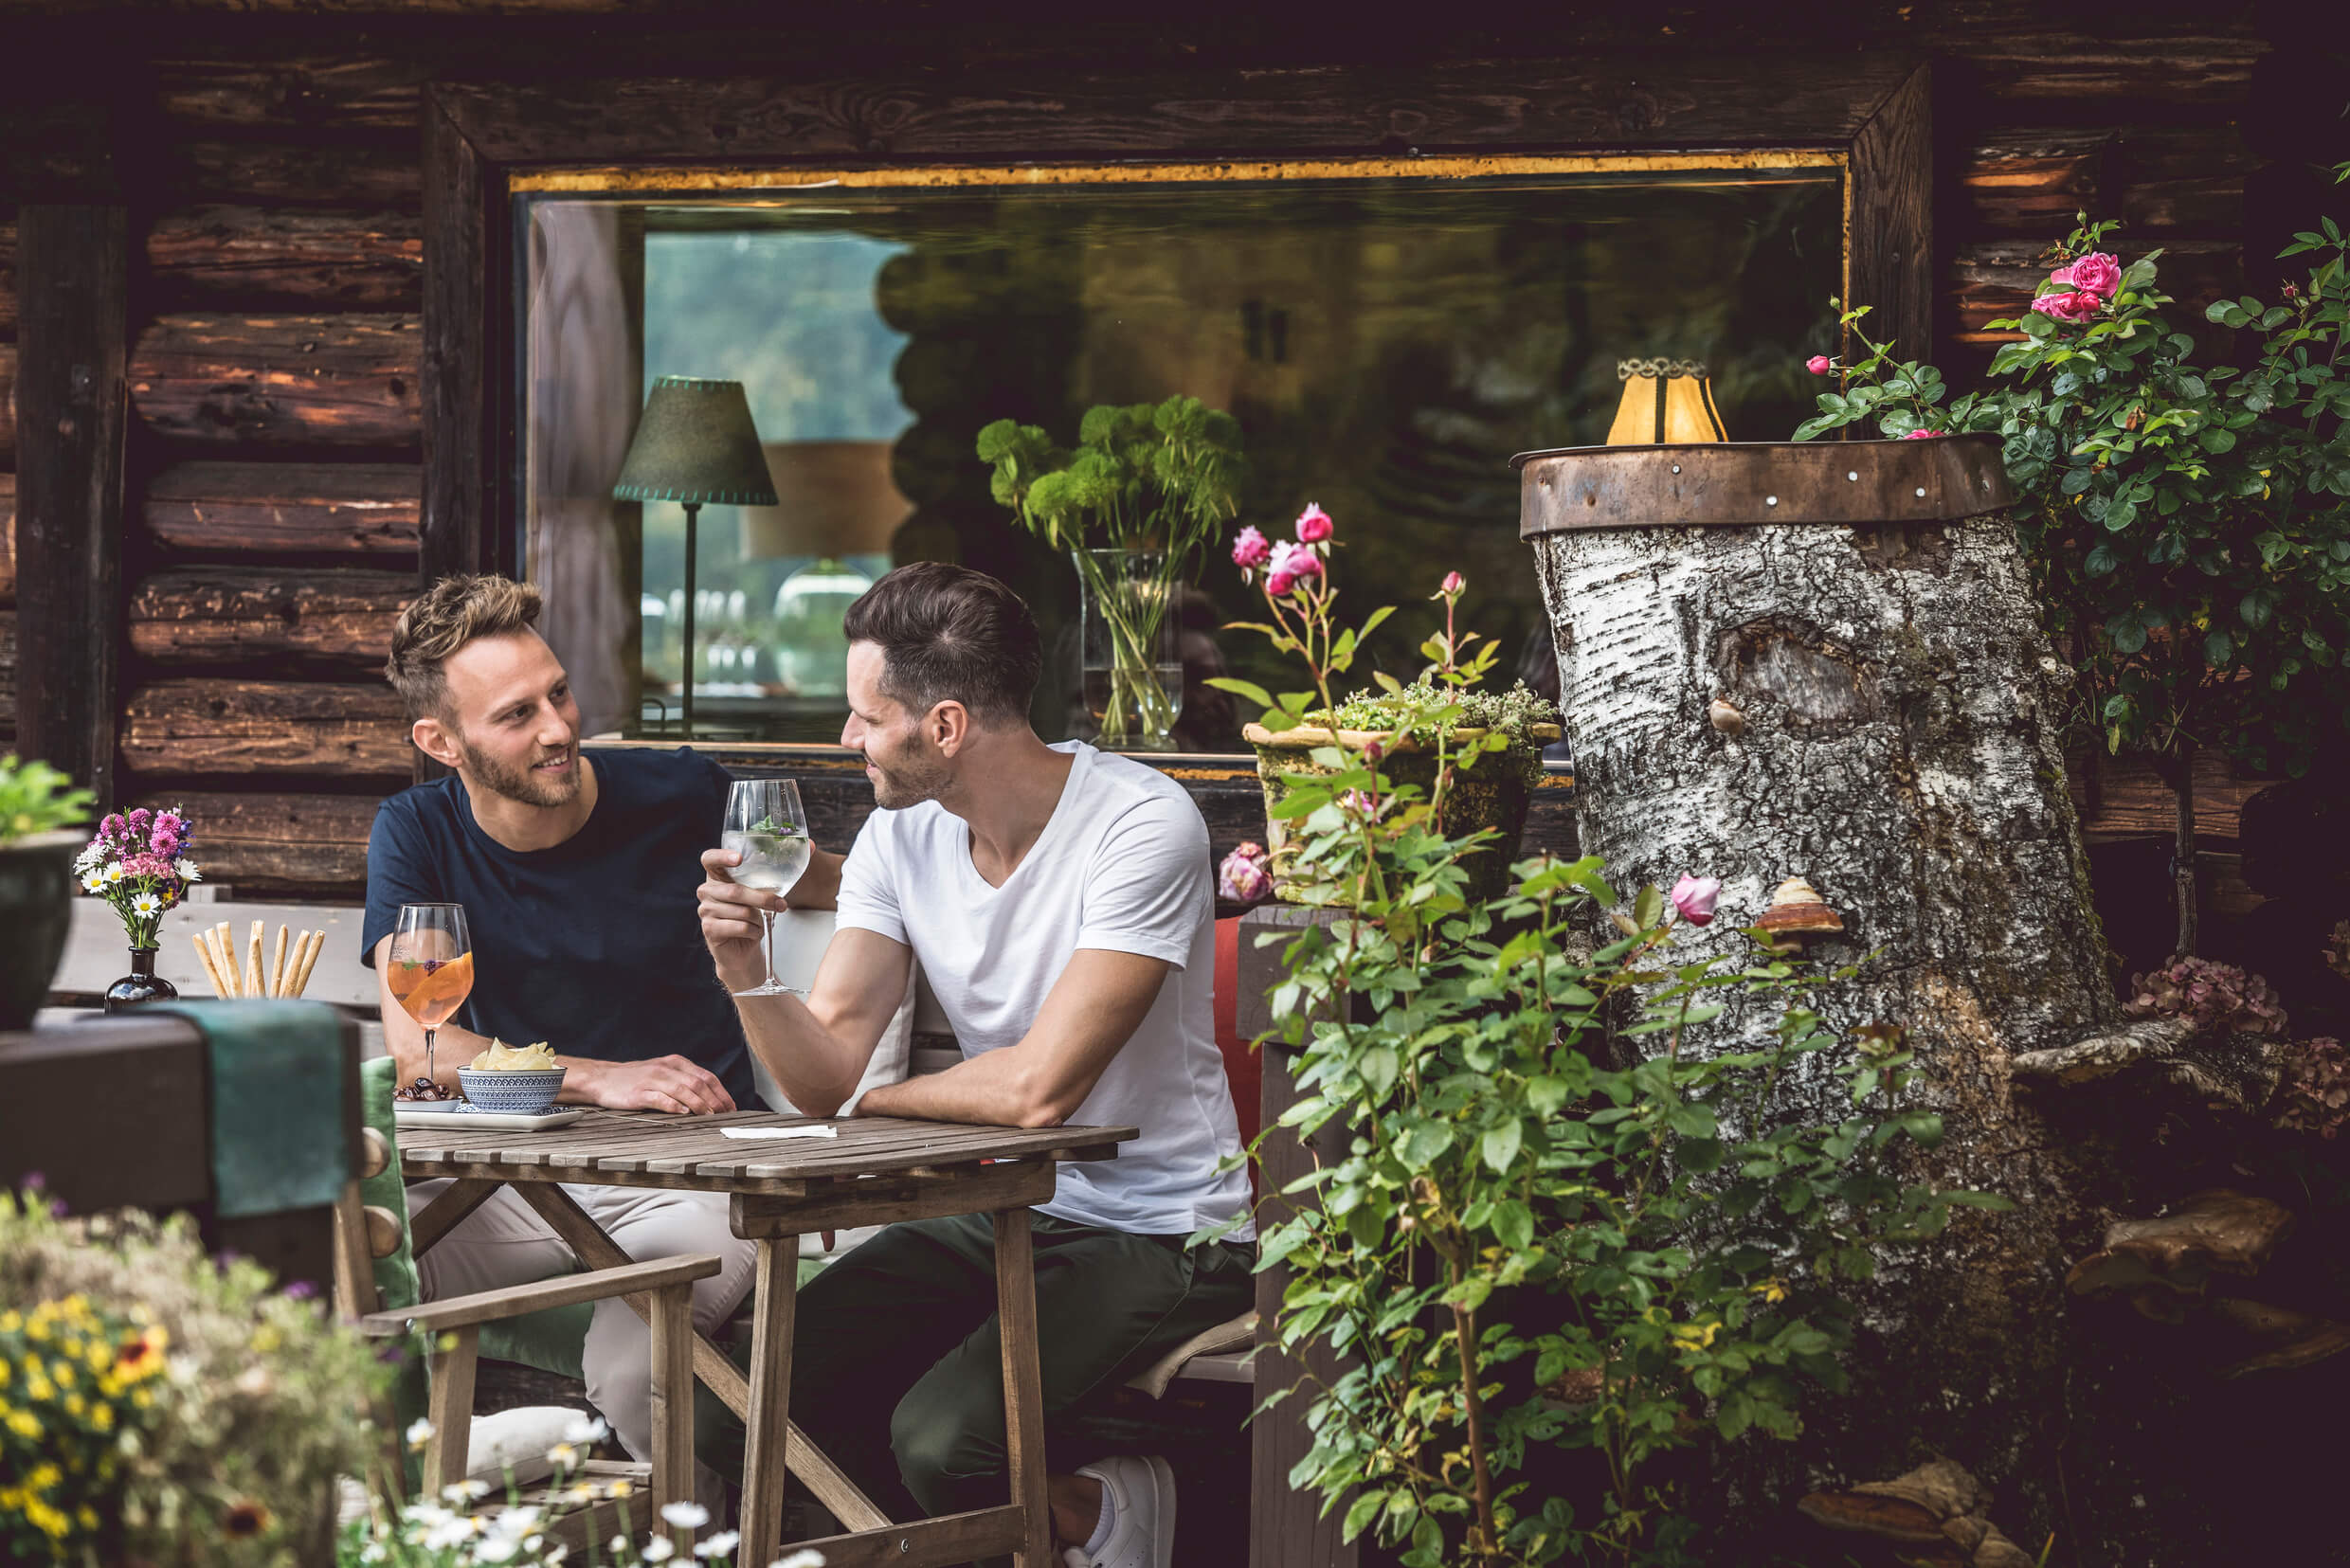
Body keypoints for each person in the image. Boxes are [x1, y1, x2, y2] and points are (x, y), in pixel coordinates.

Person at [697, 563, 1255, 1568]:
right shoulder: (895, 837)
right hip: (1005, 1202)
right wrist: (750, 976)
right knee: (734, 1404)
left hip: (1165, 1227)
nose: (845, 738)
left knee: (943, 1440)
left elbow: (1040, 1087)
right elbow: (821, 1074)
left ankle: (1102, 1512)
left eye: (864, 716)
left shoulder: (1140, 823)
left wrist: (886, 1101)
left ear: (944, 725)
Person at [365, 572, 843, 1467]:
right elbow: (422, 1043)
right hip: (507, 1180)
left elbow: (840, 884)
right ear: (440, 740)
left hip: (693, 1178)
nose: (557, 728)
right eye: (516, 715)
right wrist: (599, 1075)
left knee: (633, 1373)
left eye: (560, 692)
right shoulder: (415, 831)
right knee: (332, 1269)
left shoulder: (684, 794)